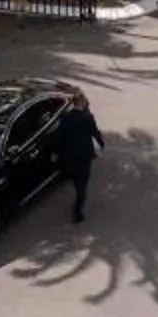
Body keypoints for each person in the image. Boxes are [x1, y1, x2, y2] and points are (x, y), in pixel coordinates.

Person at [52, 90, 105, 224]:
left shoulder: (65, 117)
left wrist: (55, 152)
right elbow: (95, 133)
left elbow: (59, 136)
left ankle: (74, 186)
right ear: (83, 103)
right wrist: (101, 144)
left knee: (75, 178)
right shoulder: (88, 117)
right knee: (83, 181)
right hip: (84, 155)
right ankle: (78, 210)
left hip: (69, 155)